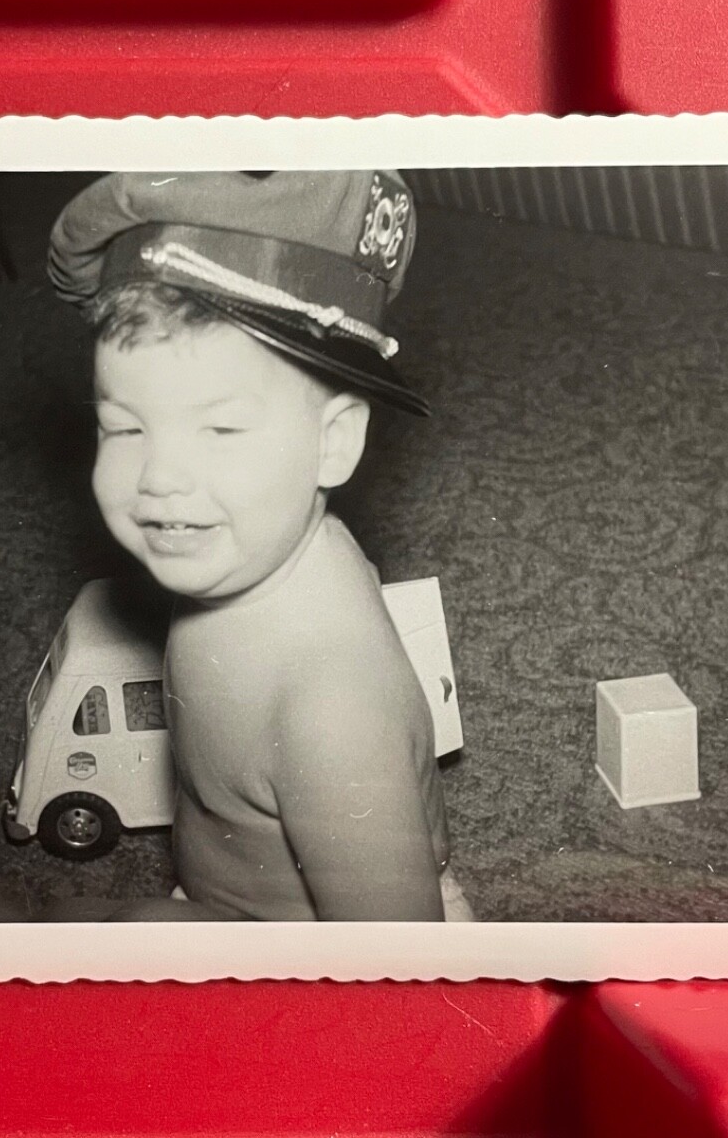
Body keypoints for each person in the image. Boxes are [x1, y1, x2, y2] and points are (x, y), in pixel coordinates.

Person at [46, 170, 472, 922]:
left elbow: (400, 960)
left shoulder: (331, 716)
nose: (160, 477)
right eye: (124, 427)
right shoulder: (252, 546)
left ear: (333, 443)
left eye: (221, 428)